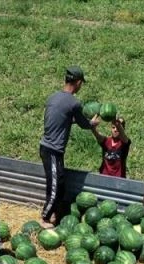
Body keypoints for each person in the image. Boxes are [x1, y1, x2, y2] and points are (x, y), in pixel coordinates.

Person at [39, 65, 100, 228]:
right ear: (78, 82)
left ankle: (53, 214)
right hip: (52, 150)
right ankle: (44, 218)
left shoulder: (53, 97)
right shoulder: (74, 103)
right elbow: (84, 124)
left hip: (48, 148)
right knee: (56, 185)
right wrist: (92, 123)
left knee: (58, 183)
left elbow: (60, 118)